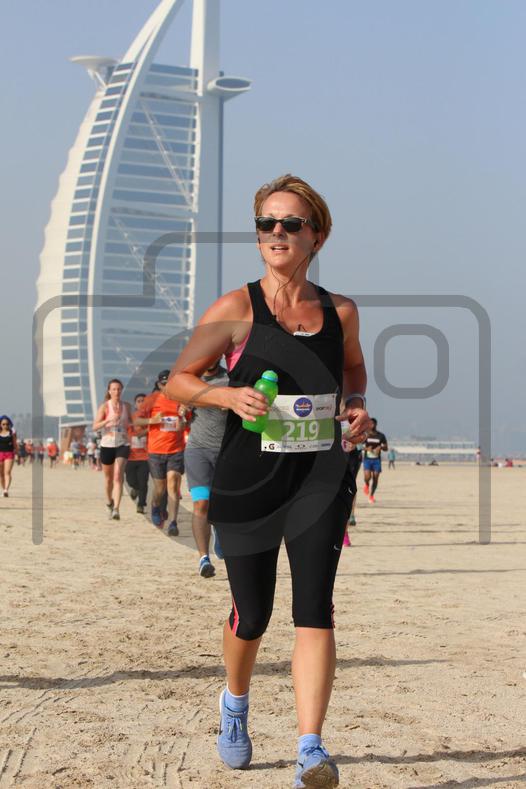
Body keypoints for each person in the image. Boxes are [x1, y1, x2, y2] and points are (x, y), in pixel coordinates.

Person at [165, 174, 371, 788]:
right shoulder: (235, 309)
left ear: (317, 236)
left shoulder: (340, 312)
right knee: (252, 614)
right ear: (258, 236)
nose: (277, 233)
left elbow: (353, 370)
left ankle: (310, 747)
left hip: (321, 478)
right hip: (248, 480)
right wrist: (227, 396)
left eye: (291, 224)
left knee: (315, 609)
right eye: (266, 224)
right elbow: (179, 380)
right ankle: (234, 704)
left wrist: (356, 405)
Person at [184, 359, 229, 578]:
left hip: (225, 451)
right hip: (197, 450)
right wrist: (183, 408)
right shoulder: (191, 380)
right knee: (201, 503)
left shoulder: (230, 379)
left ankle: (219, 530)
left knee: (222, 504)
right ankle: (204, 559)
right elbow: (180, 408)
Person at [134, 370, 192, 536]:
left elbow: (187, 424)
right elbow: (136, 420)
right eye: (163, 384)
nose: (166, 387)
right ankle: (155, 506)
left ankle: (173, 522)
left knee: (173, 484)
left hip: (176, 450)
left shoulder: (181, 400)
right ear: (159, 385)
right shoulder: (151, 400)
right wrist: (152, 420)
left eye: (169, 384)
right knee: (160, 488)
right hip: (156, 450)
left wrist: (183, 419)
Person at [92, 379, 133, 520]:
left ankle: (116, 509)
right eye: (114, 389)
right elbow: (95, 426)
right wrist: (108, 421)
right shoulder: (104, 407)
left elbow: (132, 421)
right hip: (107, 445)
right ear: (109, 391)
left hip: (123, 444)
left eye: (119, 389)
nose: (117, 391)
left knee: (118, 475)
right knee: (108, 478)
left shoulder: (127, 406)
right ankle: (109, 502)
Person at [125, 393, 150, 515]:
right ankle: (135, 488)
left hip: (145, 457)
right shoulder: (131, 418)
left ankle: (141, 504)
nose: (141, 403)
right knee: (130, 480)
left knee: (143, 482)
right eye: (139, 401)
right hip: (131, 456)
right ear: (135, 404)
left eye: (143, 401)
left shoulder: (151, 418)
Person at [362, 418, 388, 503]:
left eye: (372, 424)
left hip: (377, 460)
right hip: (367, 459)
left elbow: (386, 448)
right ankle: (366, 484)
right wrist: (367, 448)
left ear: (376, 424)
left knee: (375, 478)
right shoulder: (365, 435)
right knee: (367, 476)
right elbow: (359, 446)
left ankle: (371, 495)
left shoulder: (381, 435)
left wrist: (380, 447)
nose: (371, 425)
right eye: (369, 424)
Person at [0, 416, 18, 497]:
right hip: (0, 454)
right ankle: (3, 489)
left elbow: (15, 444)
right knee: (1, 474)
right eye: (3, 424)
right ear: (0, 424)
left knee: (7, 472)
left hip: (9, 454)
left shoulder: (11, 433)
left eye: (7, 424)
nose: (5, 426)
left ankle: (6, 490)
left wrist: (17, 454)